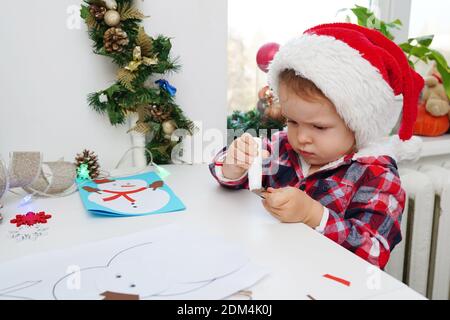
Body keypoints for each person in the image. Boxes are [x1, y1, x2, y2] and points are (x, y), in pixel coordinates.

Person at [209, 23, 424, 269]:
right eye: (292, 121)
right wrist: (233, 167)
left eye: (319, 127)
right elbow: (229, 178)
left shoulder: (377, 175)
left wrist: (313, 215)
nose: (301, 137)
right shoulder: (282, 146)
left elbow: (373, 251)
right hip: (271, 269)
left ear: (359, 123)